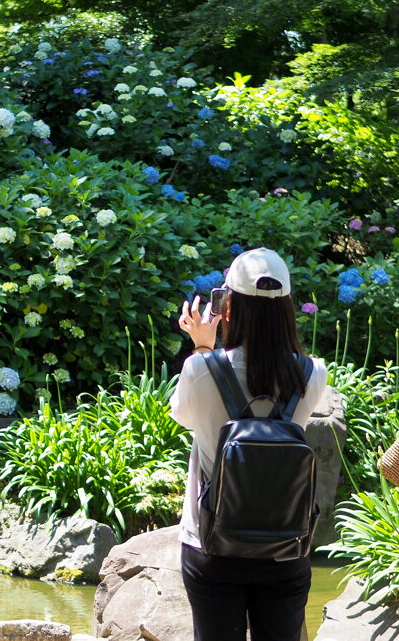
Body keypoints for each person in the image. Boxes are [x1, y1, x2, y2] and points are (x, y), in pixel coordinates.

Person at [170, 247, 328, 641]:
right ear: (288, 308)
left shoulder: (200, 369)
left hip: (212, 544)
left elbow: (183, 416)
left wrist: (203, 347)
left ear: (229, 308)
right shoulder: (312, 373)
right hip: (285, 544)